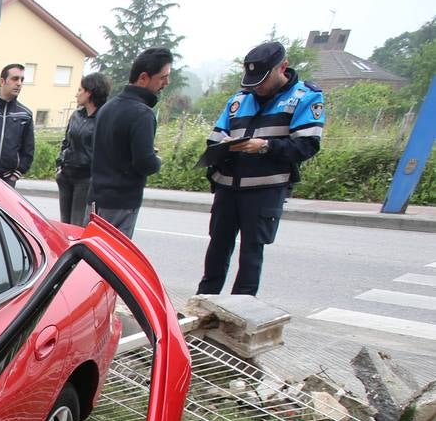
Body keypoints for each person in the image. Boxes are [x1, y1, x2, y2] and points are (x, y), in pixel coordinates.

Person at [196, 41, 325, 296]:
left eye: (262, 80)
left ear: (282, 68)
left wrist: (265, 146)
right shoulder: (240, 99)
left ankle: (239, 312)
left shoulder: (304, 97)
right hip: (228, 187)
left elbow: (307, 145)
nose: (257, 87)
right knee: (217, 248)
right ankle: (203, 303)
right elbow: (215, 138)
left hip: (264, 191)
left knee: (251, 253)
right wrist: (223, 148)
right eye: (252, 80)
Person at [90, 47, 174, 237]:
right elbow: (145, 162)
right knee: (113, 257)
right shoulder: (142, 114)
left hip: (96, 197)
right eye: (163, 77)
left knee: (96, 252)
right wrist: (156, 160)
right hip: (122, 201)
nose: (166, 82)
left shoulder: (107, 107)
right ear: (143, 78)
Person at [55, 72, 110, 225]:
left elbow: (105, 150)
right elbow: (66, 142)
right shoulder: (76, 116)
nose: (76, 94)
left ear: (90, 92)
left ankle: (78, 249)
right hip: (66, 175)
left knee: (78, 225)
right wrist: (60, 165)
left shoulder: (104, 118)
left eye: (80, 90)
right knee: (64, 224)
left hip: (86, 179)